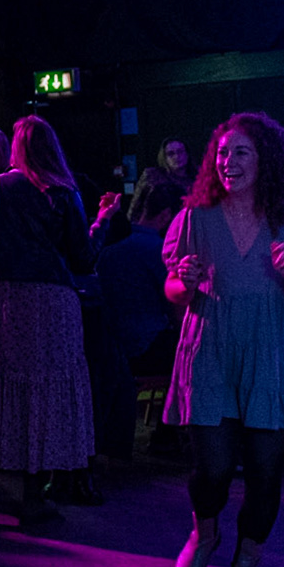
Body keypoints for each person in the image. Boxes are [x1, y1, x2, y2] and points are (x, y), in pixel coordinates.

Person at [163, 113, 284, 567]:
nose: (227, 161)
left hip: (270, 353)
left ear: (266, 159)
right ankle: (204, 535)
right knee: (211, 468)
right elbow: (173, 290)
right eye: (222, 152)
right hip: (210, 350)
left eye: (241, 152)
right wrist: (184, 282)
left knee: (264, 472)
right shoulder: (195, 218)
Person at [0, 116, 95, 525]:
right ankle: (32, 498)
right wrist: (102, 226)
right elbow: (83, 260)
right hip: (51, 300)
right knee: (43, 393)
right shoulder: (65, 192)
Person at [95, 170, 187, 460]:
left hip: (111, 349)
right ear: (167, 216)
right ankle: (169, 436)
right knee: (196, 352)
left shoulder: (108, 250)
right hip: (146, 349)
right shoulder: (160, 251)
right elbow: (175, 307)